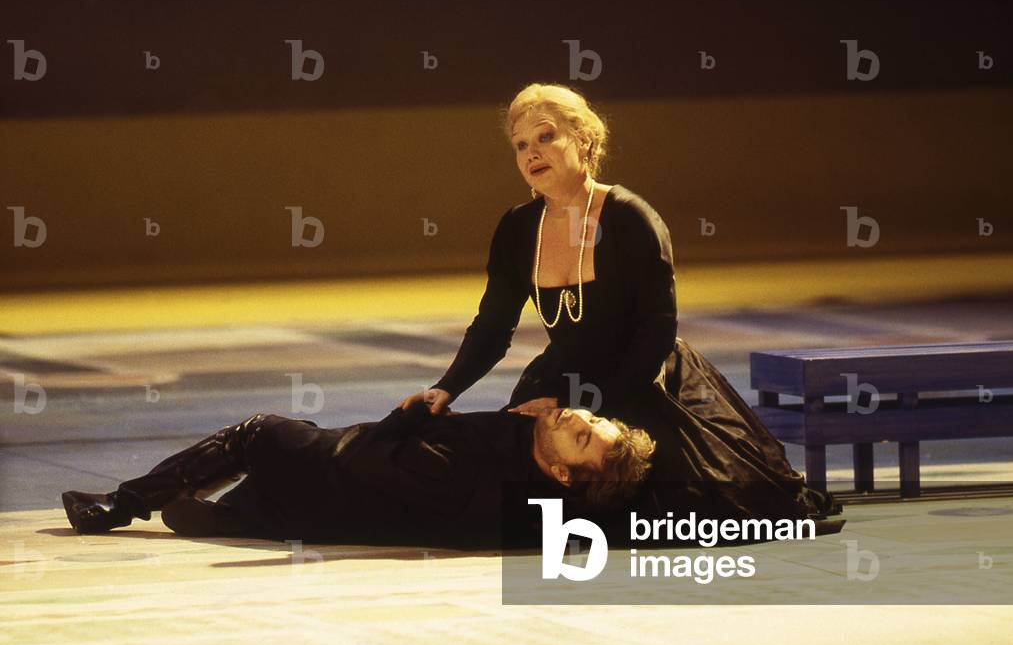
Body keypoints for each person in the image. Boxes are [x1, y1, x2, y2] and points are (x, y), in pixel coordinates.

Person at [397, 82, 840, 523]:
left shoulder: (630, 217)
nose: (531, 153)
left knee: (691, 500)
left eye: (546, 137)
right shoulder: (516, 228)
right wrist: (448, 386)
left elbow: (656, 333)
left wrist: (579, 404)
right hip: (560, 380)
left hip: (642, 378)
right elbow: (493, 327)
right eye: (521, 145)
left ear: (584, 139)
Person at [61, 404, 656, 548]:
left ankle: (117, 505)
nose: (580, 415)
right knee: (279, 489)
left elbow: (364, 460)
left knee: (262, 432)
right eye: (594, 419)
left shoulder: (467, 465)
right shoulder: (531, 499)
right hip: (345, 511)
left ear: (558, 469)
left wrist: (413, 413)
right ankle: (237, 514)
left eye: (582, 435)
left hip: (333, 475)